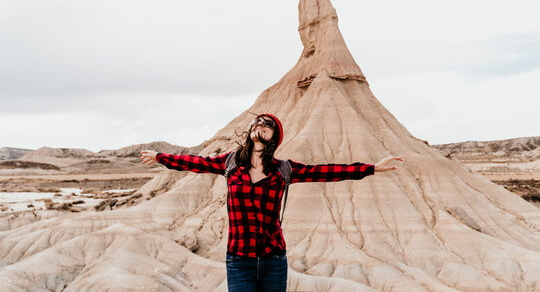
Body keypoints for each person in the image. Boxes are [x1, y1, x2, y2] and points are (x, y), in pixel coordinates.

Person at [140, 113, 403, 292]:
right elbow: (196, 163)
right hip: (239, 259)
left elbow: (327, 171)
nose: (260, 125)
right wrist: (161, 157)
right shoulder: (230, 163)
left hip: (273, 258)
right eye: (257, 122)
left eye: (267, 124)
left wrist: (371, 169)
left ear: (274, 136)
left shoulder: (283, 169)